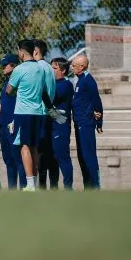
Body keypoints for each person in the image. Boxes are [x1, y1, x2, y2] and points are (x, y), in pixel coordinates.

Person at [5, 39, 50, 192]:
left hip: (23, 113)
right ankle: (34, 182)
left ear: (21, 51)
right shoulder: (40, 68)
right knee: (34, 147)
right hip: (37, 112)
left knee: (24, 147)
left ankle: (30, 184)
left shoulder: (19, 69)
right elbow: (44, 92)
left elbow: (9, 90)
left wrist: (19, 90)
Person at [71, 53, 103, 189]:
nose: (71, 68)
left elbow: (97, 101)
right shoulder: (79, 80)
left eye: (74, 66)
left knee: (89, 155)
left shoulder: (88, 80)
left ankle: (95, 185)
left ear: (82, 67)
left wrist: (99, 122)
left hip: (86, 123)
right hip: (79, 122)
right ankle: (87, 185)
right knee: (82, 156)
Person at [0, 55, 26, 190]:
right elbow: (4, 100)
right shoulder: (6, 81)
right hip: (3, 123)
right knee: (8, 159)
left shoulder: (19, 81)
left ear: (13, 66)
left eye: (5, 64)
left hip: (13, 124)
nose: (3, 67)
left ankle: (24, 188)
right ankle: (12, 190)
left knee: (18, 158)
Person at [34, 40, 60, 189]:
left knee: (41, 152)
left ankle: (42, 185)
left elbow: (39, 91)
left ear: (36, 51)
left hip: (40, 112)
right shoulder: (50, 68)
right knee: (48, 151)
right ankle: (53, 185)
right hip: (48, 112)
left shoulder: (38, 68)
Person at [50, 57, 74, 189]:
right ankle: (53, 188)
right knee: (51, 159)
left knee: (62, 157)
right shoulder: (52, 83)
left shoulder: (66, 84)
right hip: (50, 126)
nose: (51, 71)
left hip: (61, 127)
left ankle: (68, 187)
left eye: (54, 68)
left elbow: (52, 97)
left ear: (63, 70)